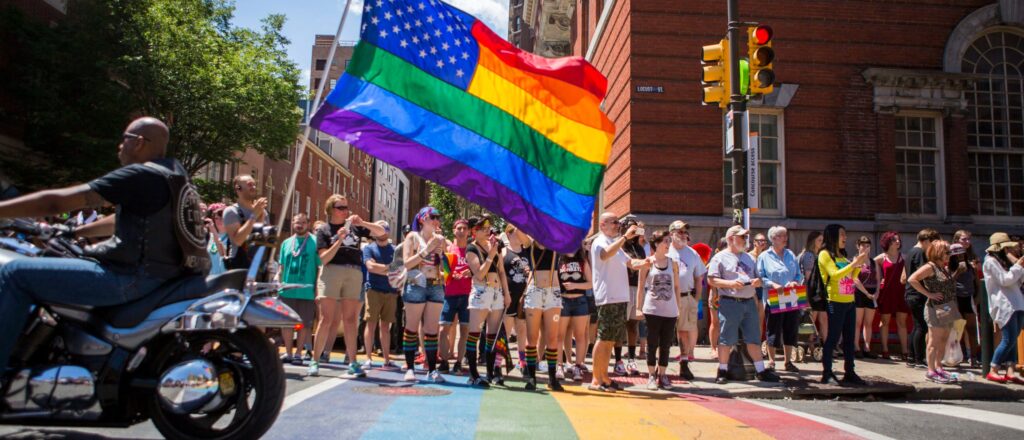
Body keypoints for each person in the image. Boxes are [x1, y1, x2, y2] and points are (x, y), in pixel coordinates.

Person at [0, 117, 209, 372]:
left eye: (125, 139)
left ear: (140, 142)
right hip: (160, 277)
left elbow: (58, 203)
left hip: (130, 278)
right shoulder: (175, 174)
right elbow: (122, 218)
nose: (120, 145)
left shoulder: (141, 174)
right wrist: (78, 230)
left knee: (15, 273)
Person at [309, 194, 385, 377]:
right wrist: (338, 240)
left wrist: (363, 223)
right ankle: (315, 360)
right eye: (341, 207)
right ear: (331, 210)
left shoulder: (356, 228)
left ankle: (352, 362)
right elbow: (324, 258)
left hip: (353, 272)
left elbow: (382, 232)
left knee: (350, 320)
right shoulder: (324, 230)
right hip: (331, 271)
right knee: (326, 319)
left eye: (346, 207)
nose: (346, 211)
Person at [707, 225, 780, 384]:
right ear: (731, 239)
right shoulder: (719, 258)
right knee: (726, 338)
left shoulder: (749, 258)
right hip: (730, 302)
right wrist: (731, 283)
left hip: (748, 301)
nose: (745, 240)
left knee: (753, 337)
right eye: (741, 237)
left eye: (746, 237)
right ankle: (723, 370)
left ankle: (760, 370)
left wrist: (757, 282)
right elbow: (711, 279)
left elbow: (760, 279)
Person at [587, 213, 645, 392]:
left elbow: (631, 263)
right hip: (608, 297)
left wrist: (649, 261)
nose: (618, 225)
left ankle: (604, 377)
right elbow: (605, 255)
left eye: (618, 223)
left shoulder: (616, 244)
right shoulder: (600, 242)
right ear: (603, 225)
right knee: (604, 338)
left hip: (620, 297)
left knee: (611, 339)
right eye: (614, 222)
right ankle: (596, 380)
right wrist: (625, 237)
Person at [511, 227, 565, 391]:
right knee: (532, 337)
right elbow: (518, 230)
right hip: (534, 292)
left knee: (552, 338)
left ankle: (552, 378)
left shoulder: (556, 243)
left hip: (552, 294)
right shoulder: (529, 244)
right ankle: (532, 378)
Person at [818, 224, 870, 386]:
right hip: (834, 301)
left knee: (849, 339)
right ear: (833, 236)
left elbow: (851, 276)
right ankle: (827, 373)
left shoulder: (842, 255)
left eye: (845, 234)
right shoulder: (825, 254)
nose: (845, 237)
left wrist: (858, 265)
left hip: (849, 301)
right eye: (842, 234)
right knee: (832, 338)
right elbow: (834, 275)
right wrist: (853, 264)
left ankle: (850, 371)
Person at [400, 207, 448, 383]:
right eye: (432, 217)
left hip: (435, 284)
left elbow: (444, 269)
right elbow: (407, 263)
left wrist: (441, 256)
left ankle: (432, 369)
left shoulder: (440, 240)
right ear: (421, 220)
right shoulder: (412, 237)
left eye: (438, 217)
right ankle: (410, 368)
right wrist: (427, 249)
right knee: (411, 327)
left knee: (431, 329)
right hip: (416, 284)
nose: (436, 221)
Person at [908, 240, 964, 384]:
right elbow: (912, 279)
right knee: (934, 340)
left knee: (943, 339)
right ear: (938, 252)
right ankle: (931, 370)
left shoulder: (942, 267)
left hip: (946, 306)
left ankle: (939, 367)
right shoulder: (930, 266)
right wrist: (928, 294)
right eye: (946, 252)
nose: (949, 255)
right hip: (935, 307)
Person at [464, 215, 511, 387]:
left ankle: (491, 373)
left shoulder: (494, 246)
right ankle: (474, 374)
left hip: (497, 292)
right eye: (483, 228)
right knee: (474, 333)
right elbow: (479, 273)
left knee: (492, 334)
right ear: (474, 231)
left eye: (488, 227)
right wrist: (491, 254)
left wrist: (507, 293)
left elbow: (502, 272)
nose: (487, 230)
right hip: (481, 292)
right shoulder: (471, 248)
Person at [635, 230, 680, 390]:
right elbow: (641, 287)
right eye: (665, 241)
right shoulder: (647, 262)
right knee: (652, 343)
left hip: (670, 310)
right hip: (652, 309)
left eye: (669, 241)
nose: (668, 244)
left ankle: (663, 374)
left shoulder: (673, 263)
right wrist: (638, 308)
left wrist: (678, 308)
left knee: (666, 344)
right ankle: (651, 375)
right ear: (656, 244)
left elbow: (676, 286)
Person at [757, 226, 804, 373]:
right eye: (782, 236)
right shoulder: (764, 256)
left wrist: (796, 282)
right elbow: (760, 277)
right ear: (774, 238)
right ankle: (771, 361)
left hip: (791, 294)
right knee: (774, 329)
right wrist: (772, 284)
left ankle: (788, 361)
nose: (786, 238)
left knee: (790, 328)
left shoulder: (790, 254)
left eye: (786, 235)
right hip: (774, 296)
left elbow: (799, 274)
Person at [277, 213, 320, 366]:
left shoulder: (315, 242)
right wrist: (278, 279)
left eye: (303, 222)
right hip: (287, 289)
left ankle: (298, 353)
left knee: (304, 324)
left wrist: (317, 288)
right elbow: (281, 266)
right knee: (286, 323)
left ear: (308, 224)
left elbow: (319, 267)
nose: (299, 225)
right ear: (293, 224)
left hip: (306, 289)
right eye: (297, 222)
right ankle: (288, 352)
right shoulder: (286, 243)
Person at [981, 233, 1024, 384]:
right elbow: (1005, 280)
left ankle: (1011, 370)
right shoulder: (990, 261)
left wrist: (1017, 263)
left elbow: (1019, 279)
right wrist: (1019, 265)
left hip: (1017, 302)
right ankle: (993, 368)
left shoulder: (1006, 261)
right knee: (1008, 339)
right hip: (1004, 304)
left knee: (1013, 339)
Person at [666, 220, 705, 380]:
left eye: (684, 232)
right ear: (671, 234)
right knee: (664, 332)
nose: (683, 235)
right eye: (679, 232)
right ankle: (660, 365)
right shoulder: (665, 251)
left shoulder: (692, 253)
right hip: (666, 298)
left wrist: (696, 299)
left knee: (684, 332)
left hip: (686, 297)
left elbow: (699, 277)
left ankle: (684, 363)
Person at [363, 220, 400, 370]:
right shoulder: (369, 248)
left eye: (384, 228)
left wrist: (382, 268)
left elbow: (398, 268)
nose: (381, 231)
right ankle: (368, 358)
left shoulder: (395, 249)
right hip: (373, 290)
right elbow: (370, 267)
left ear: (388, 232)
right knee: (370, 323)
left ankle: (386, 359)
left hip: (391, 291)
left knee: (386, 326)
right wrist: (389, 268)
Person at [439, 219, 471, 374]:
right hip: (450, 294)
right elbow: (441, 272)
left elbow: (480, 272)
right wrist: (450, 274)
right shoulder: (449, 249)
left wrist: (470, 272)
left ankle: (458, 363)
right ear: (453, 231)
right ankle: (444, 361)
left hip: (467, 296)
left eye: (465, 228)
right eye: (459, 228)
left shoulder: (472, 250)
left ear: (469, 232)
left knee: (464, 331)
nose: (462, 231)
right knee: (443, 329)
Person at [905, 228, 940, 368]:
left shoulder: (911, 251)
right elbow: (921, 275)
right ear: (925, 241)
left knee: (916, 326)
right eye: (932, 243)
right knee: (922, 327)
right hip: (917, 295)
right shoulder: (919, 252)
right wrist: (929, 293)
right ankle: (918, 359)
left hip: (911, 294)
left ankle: (911, 357)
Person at [558, 245, 592, 383]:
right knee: (559, 335)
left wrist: (575, 286)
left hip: (580, 301)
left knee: (579, 335)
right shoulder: (559, 261)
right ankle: (559, 365)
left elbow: (590, 283)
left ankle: (578, 365)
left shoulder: (583, 262)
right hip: (563, 300)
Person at [222, 175, 269, 270]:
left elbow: (262, 240)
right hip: (239, 267)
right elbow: (238, 241)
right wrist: (254, 215)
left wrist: (261, 216)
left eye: (254, 185)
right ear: (238, 189)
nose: (254, 187)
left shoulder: (262, 211)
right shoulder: (231, 211)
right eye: (249, 185)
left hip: (259, 266)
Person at [875, 231, 910, 361]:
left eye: (898, 239)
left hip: (901, 292)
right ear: (887, 242)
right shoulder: (881, 258)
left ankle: (905, 351)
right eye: (894, 240)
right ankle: (885, 349)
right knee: (885, 321)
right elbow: (872, 267)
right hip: (887, 293)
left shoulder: (904, 257)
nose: (897, 241)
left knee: (902, 322)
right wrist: (880, 281)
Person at [618, 216, 646, 376]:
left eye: (637, 230)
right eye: (632, 229)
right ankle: (617, 359)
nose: (635, 233)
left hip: (637, 287)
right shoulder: (620, 246)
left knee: (633, 325)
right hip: (623, 287)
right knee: (620, 325)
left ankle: (631, 358)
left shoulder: (640, 249)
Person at [501, 224, 531, 372]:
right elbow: (500, 273)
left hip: (524, 296)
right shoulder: (504, 252)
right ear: (508, 234)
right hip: (508, 296)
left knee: (521, 329)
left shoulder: (528, 251)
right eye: (516, 231)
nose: (520, 234)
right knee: (506, 330)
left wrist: (529, 272)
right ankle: (501, 360)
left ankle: (522, 360)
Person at [952, 230, 981, 366]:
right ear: (957, 240)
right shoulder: (950, 257)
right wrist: (958, 271)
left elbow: (977, 281)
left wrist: (978, 297)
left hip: (969, 295)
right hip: (955, 296)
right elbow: (947, 281)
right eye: (964, 239)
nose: (967, 242)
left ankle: (973, 356)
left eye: (969, 239)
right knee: (957, 327)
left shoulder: (972, 258)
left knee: (972, 328)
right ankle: (956, 356)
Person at [799, 231, 828, 352]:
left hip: (819, 292)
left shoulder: (818, 255)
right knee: (811, 318)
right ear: (813, 242)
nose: (822, 243)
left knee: (823, 318)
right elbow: (808, 277)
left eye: (822, 240)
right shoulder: (809, 256)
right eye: (819, 240)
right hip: (810, 292)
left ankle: (827, 346)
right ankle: (808, 344)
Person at [853, 236, 879, 359]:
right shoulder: (856, 261)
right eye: (862, 245)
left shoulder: (873, 262)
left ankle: (867, 347)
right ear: (858, 246)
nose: (865, 247)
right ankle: (856, 346)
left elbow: (878, 279)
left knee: (868, 323)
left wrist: (877, 292)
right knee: (857, 322)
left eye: (867, 245)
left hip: (872, 292)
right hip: (859, 293)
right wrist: (865, 293)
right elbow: (855, 279)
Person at [708, 237, 729, 359]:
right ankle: (713, 348)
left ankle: (726, 347)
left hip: (730, 294)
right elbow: (710, 280)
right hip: (716, 294)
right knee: (715, 322)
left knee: (728, 323)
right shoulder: (715, 261)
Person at [749, 232, 770, 340]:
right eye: (759, 241)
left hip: (763, 288)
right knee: (752, 319)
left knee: (760, 319)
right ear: (754, 243)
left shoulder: (766, 256)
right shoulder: (749, 256)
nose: (762, 243)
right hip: (752, 289)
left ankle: (758, 343)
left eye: (764, 241)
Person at [205, 203, 228, 276]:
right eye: (216, 218)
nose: (219, 221)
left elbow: (224, 253)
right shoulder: (210, 236)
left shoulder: (231, 236)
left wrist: (213, 231)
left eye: (222, 217)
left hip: (225, 278)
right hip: (211, 278)